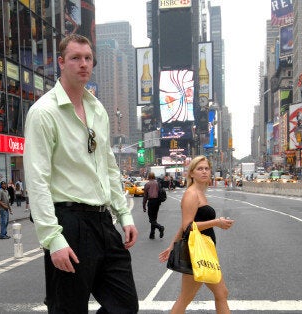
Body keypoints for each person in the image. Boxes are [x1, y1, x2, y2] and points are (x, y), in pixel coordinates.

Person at [24, 34, 139, 313]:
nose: (83, 64)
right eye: (75, 58)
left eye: (88, 58)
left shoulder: (97, 109)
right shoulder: (43, 112)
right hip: (69, 222)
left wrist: (124, 214)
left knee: (125, 306)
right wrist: (53, 238)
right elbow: (36, 178)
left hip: (103, 220)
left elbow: (108, 165)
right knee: (69, 309)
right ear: (61, 63)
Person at [158, 156, 234, 314]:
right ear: (191, 173)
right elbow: (188, 226)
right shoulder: (191, 194)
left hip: (202, 251)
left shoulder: (199, 192)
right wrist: (216, 222)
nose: (204, 172)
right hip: (196, 253)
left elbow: (184, 224)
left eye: (206, 168)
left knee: (198, 296)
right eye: (200, 169)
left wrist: (172, 245)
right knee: (211, 294)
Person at [143, 172, 165, 240]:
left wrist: (144, 205)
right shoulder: (157, 183)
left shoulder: (147, 184)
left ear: (148, 177)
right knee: (154, 218)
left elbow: (145, 196)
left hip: (151, 202)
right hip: (157, 202)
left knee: (151, 219)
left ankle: (160, 227)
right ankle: (152, 234)